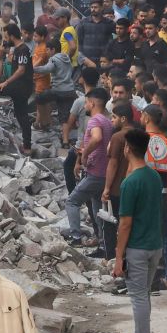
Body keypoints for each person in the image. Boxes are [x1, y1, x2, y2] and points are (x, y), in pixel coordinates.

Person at [115, 129, 164, 333]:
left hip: (136, 247)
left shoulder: (130, 183)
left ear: (127, 148)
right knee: (143, 295)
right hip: (155, 245)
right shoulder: (154, 176)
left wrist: (118, 257)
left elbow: (125, 223)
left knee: (138, 298)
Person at [65, 88, 112, 246]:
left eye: (86, 102)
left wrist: (85, 154)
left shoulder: (95, 120)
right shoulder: (106, 120)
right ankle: (102, 241)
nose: (84, 105)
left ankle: (75, 237)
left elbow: (97, 138)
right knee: (98, 208)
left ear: (92, 103)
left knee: (72, 201)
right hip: (104, 171)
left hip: (96, 171)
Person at [144, 106, 167, 291]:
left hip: (146, 192)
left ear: (146, 118)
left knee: (147, 234)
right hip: (164, 191)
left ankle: (148, 275)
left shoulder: (143, 140)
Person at [100, 103, 137, 261]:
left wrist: (106, 188)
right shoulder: (140, 134)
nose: (111, 120)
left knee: (110, 224)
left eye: (114, 117)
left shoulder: (118, 137)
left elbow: (113, 163)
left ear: (123, 118)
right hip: (134, 187)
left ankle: (111, 258)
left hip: (117, 188)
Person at [0, 24, 35, 156]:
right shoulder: (17, 49)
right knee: (21, 114)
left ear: (11, 36)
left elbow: (21, 70)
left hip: (21, 87)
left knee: (22, 115)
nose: (5, 40)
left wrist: (6, 82)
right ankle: (27, 146)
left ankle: (27, 146)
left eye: (6, 37)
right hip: (19, 86)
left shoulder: (22, 50)